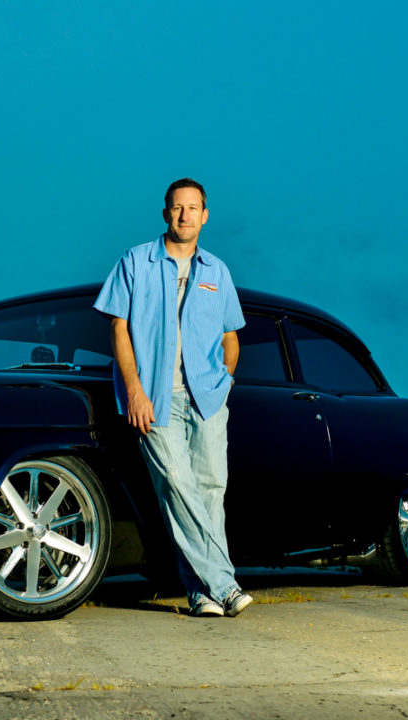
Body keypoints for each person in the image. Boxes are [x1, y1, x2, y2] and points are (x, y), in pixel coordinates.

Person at [94, 178, 252, 617]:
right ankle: (225, 583)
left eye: (193, 208)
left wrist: (224, 385)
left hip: (207, 399)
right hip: (154, 400)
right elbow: (118, 328)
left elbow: (230, 338)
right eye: (177, 208)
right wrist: (135, 391)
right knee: (179, 489)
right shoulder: (135, 261)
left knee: (209, 492)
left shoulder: (216, 271)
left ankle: (202, 595)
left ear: (204, 215)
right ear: (166, 213)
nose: (185, 215)